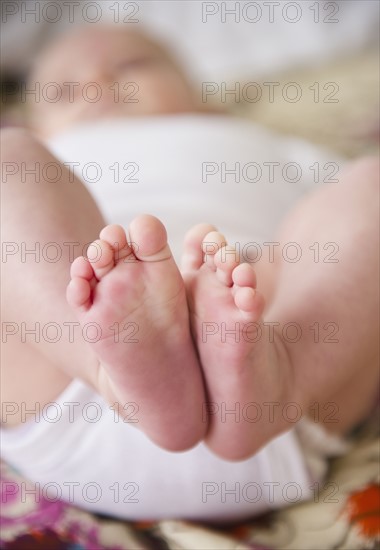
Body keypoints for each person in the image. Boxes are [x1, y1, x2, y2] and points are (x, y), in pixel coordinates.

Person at [1, 25, 378, 520]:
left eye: (132, 68)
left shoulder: (262, 142)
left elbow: (338, 223)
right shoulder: (48, 151)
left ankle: (280, 371)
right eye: (65, 90)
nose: (98, 83)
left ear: (207, 102)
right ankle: (108, 366)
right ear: (41, 124)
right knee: (10, 161)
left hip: (272, 364)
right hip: (69, 380)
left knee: (370, 182)